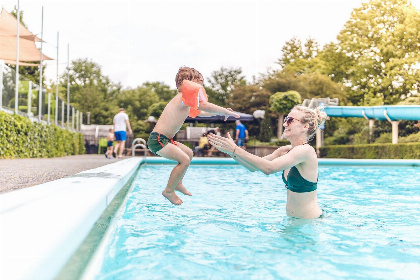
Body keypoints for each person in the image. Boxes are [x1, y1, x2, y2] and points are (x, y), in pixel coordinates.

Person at [208, 105, 329, 219]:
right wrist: (230, 152)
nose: (284, 123)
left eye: (290, 120)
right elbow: (253, 167)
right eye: (286, 119)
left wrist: (235, 149)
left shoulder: (306, 151)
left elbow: (269, 168)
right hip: (294, 222)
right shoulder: (285, 151)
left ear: (305, 126)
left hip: (310, 222)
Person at [147, 66, 240, 205]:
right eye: (200, 82)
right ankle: (168, 191)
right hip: (158, 139)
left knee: (189, 153)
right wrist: (224, 111)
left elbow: (201, 111)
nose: (201, 87)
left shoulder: (185, 101)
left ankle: (178, 184)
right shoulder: (181, 97)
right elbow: (204, 105)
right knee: (184, 160)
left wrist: (222, 112)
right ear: (189, 81)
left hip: (167, 139)